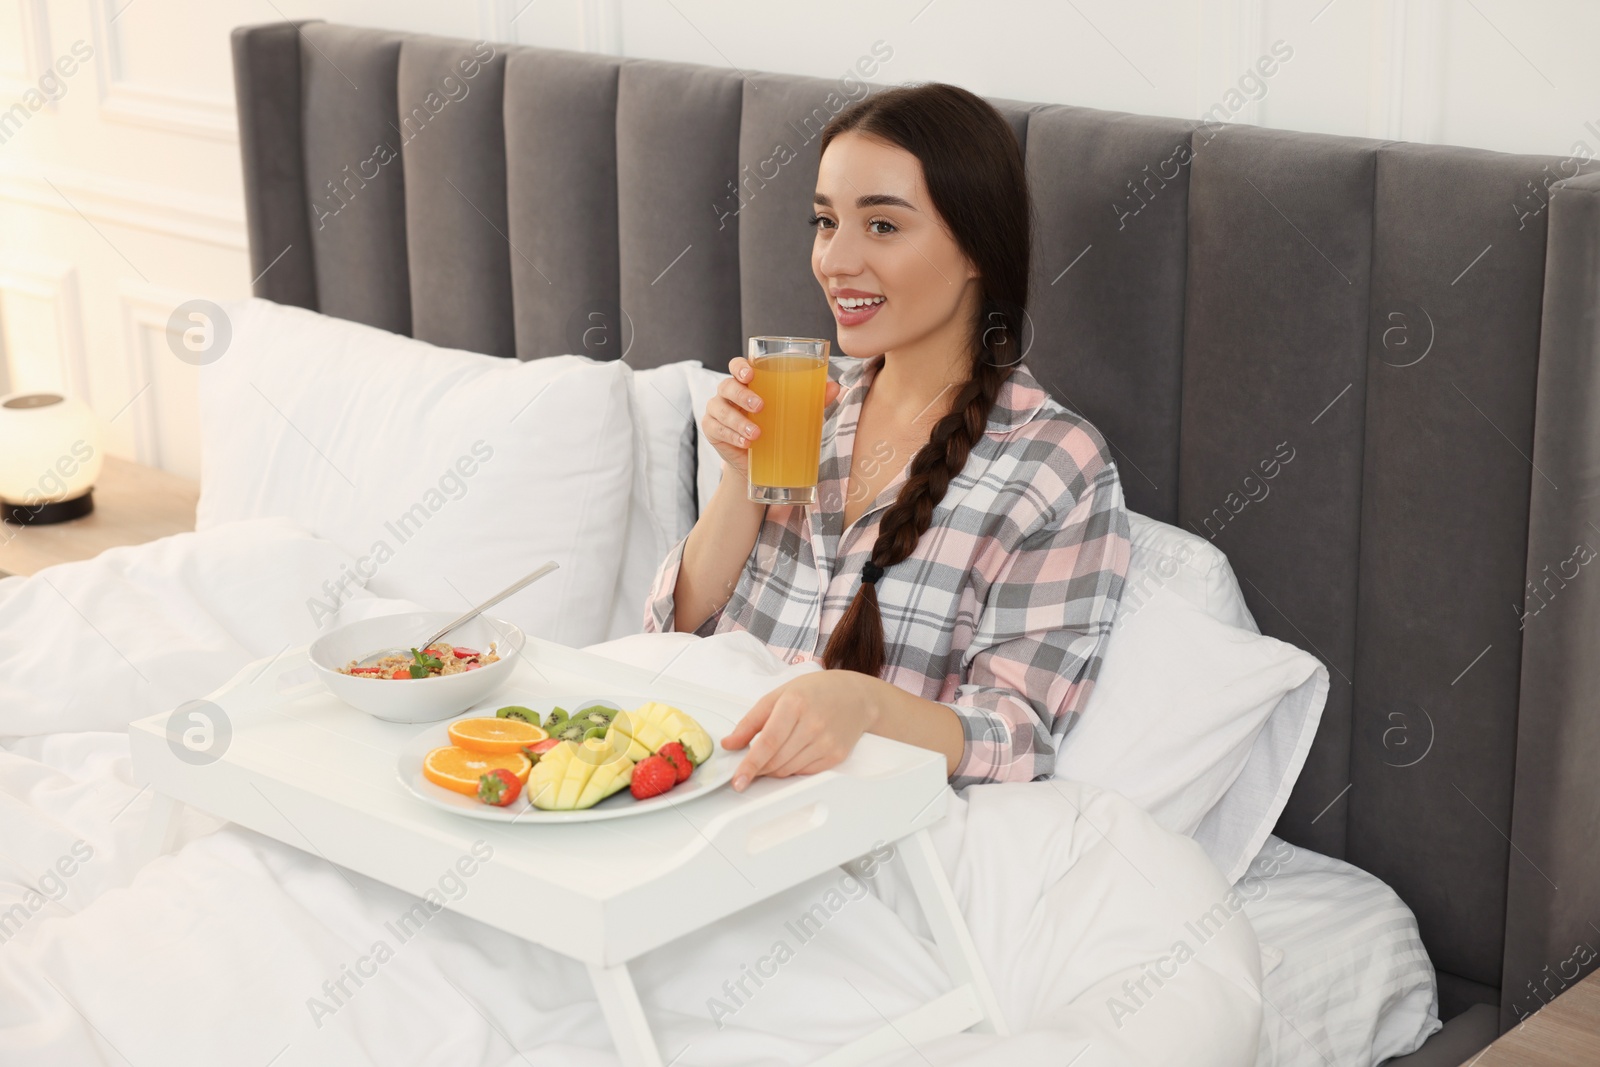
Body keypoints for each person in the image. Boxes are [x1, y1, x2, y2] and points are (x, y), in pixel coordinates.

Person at [643, 83, 1130, 792]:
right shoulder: (804, 399)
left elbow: (1018, 734)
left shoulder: (1055, 463)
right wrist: (740, 480)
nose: (835, 261)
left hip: (856, 822)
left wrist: (864, 704)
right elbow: (673, 635)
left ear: (976, 250)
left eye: (882, 226)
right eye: (825, 221)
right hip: (697, 775)